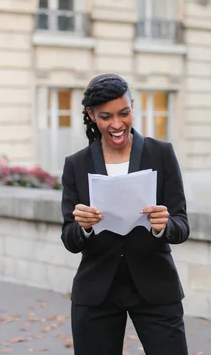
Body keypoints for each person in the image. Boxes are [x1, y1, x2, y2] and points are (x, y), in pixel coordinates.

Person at [60, 73, 190, 355]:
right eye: (106, 116)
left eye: (124, 113)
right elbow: (69, 239)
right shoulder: (76, 164)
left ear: (132, 105)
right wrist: (83, 226)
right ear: (91, 115)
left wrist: (162, 225)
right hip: (97, 292)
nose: (117, 124)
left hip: (155, 286)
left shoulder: (162, 154)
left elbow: (181, 225)